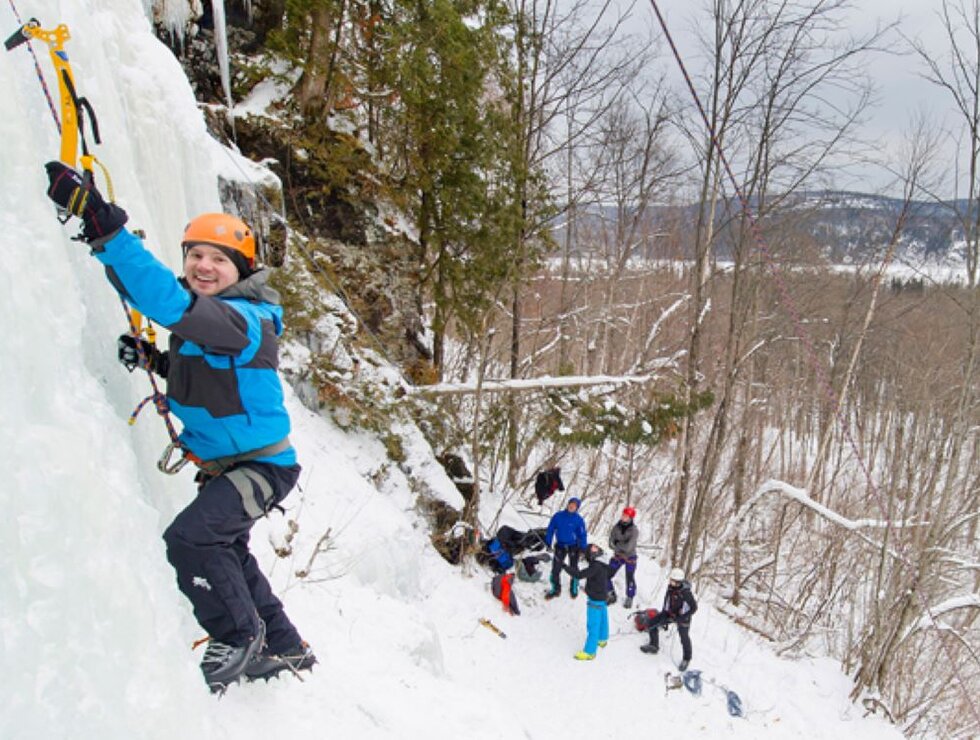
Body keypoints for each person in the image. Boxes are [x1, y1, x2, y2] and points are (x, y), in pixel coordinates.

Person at [44, 162, 315, 691]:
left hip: (261, 465)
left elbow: (170, 304)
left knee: (191, 539)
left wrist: (106, 226)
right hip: (234, 466)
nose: (205, 266)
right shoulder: (216, 321)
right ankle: (284, 646)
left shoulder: (244, 319)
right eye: (195, 256)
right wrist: (158, 361)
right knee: (228, 549)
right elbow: (211, 376)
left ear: (244, 270)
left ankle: (238, 638)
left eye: (219, 259)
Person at [639, 567, 698, 671]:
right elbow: (667, 601)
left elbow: (694, 608)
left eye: (673, 581)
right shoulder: (670, 588)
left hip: (683, 617)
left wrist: (681, 618)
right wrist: (664, 614)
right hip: (670, 613)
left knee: (684, 637)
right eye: (670, 580)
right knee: (652, 623)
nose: (671, 582)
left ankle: (687, 658)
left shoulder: (686, 593)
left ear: (679, 582)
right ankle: (654, 645)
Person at [562, 543, 610, 660]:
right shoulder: (604, 563)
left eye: (594, 547)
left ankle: (589, 652)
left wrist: (564, 566)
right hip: (602, 596)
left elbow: (579, 575)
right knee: (603, 618)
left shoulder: (596, 566)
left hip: (595, 599)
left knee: (593, 625)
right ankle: (602, 639)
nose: (592, 549)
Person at [544, 497, 588, 599]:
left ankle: (574, 587)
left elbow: (582, 534)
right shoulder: (558, 516)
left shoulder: (578, 520)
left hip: (573, 546)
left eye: (574, 505)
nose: (572, 506)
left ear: (577, 508)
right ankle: (555, 588)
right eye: (571, 504)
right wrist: (548, 542)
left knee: (574, 568)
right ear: (568, 504)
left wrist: (583, 547)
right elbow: (550, 529)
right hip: (560, 545)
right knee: (556, 568)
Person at [607, 506, 639, 608]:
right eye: (623, 515)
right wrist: (619, 544)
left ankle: (630, 597)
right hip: (617, 556)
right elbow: (610, 542)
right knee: (606, 574)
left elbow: (628, 547)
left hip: (630, 557)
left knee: (629, 577)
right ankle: (611, 593)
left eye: (626, 516)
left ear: (630, 518)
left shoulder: (634, 530)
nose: (623, 517)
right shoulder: (616, 527)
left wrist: (617, 544)